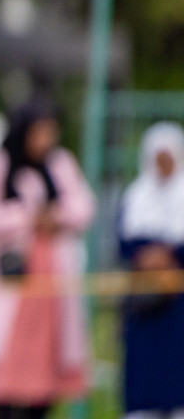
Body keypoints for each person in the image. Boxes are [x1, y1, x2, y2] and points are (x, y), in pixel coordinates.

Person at [0, 99, 95, 419]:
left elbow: (84, 207)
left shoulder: (59, 163)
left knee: (45, 373)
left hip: (51, 282)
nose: (46, 141)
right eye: (40, 133)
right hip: (13, 279)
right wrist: (27, 217)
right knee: (6, 370)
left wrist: (57, 218)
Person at [118, 122, 184, 419]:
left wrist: (170, 257)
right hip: (145, 308)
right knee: (145, 381)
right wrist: (148, 258)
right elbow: (125, 244)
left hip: (178, 309)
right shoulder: (136, 197)